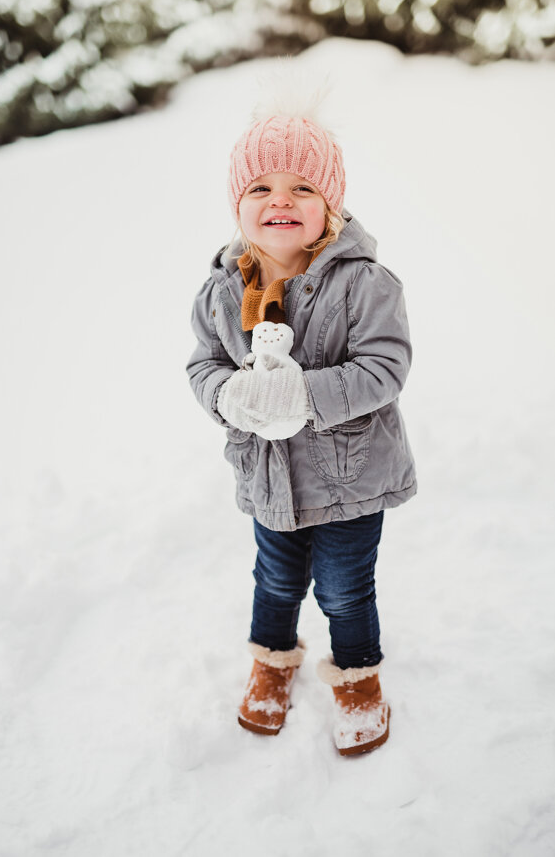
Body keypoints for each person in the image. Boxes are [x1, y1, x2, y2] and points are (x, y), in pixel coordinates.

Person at [186, 104, 416, 756]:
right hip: (268, 479)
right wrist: (226, 393)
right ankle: (273, 658)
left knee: (345, 589)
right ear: (238, 204)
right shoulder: (220, 292)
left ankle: (357, 675)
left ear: (329, 205)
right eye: (260, 187)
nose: (278, 200)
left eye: (300, 187)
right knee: (275, 579)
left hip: (351, 477)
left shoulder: (365, 284)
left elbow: (384, 367)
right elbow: (202, 362)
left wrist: (302, 393)